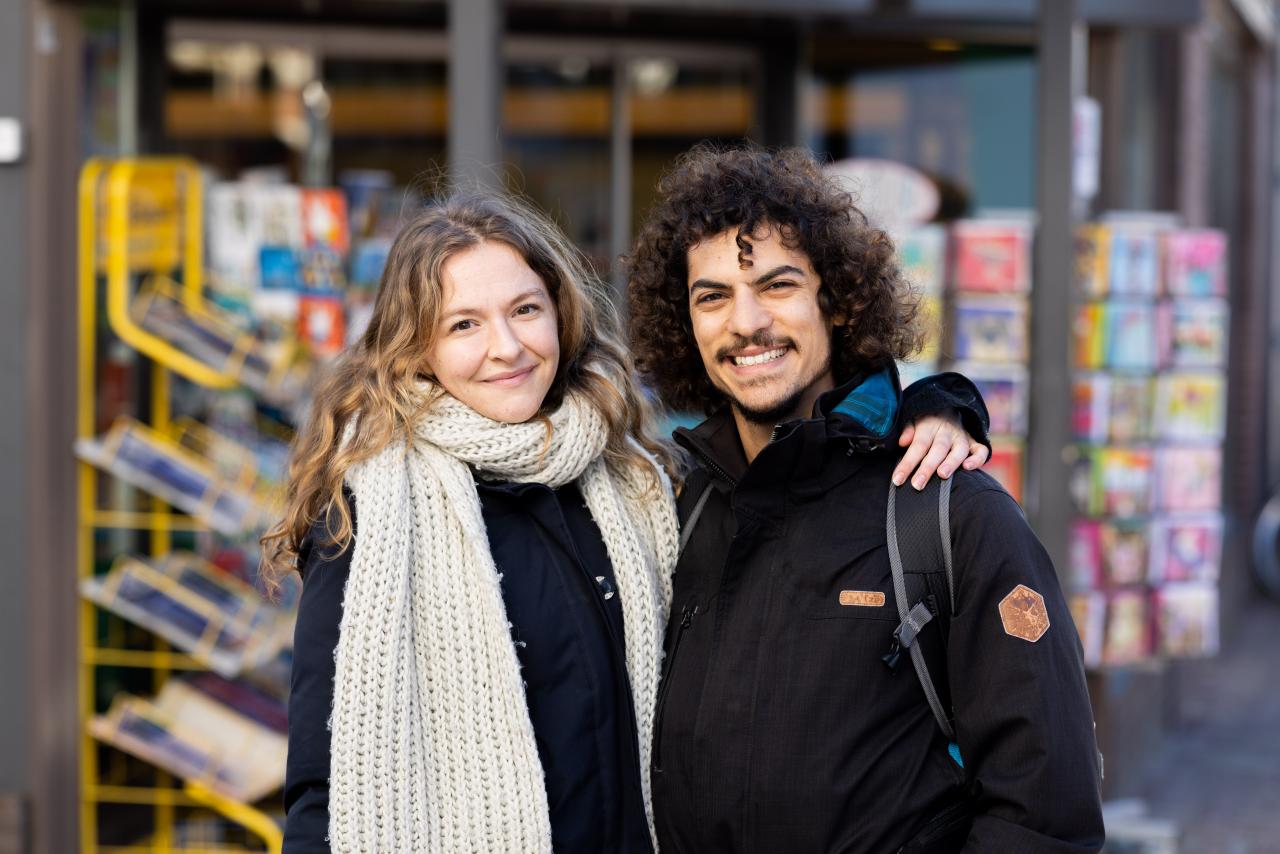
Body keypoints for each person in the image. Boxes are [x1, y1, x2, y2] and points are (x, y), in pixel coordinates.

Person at [263, 190, 987, 853]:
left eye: (524, 310)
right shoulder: (372, 513)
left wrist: (934, 405)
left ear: (560, 311)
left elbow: (795, 460)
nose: (507, 348)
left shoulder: (635, 480)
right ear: (417, 348)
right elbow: (328, 786)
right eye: (463, 325)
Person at [627, 145, 1105, 854]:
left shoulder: (949, 513)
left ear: (839, 301)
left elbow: (1044, 816)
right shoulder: (686, 508)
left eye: (778, 285)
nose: (746, 322)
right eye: (713, 296)